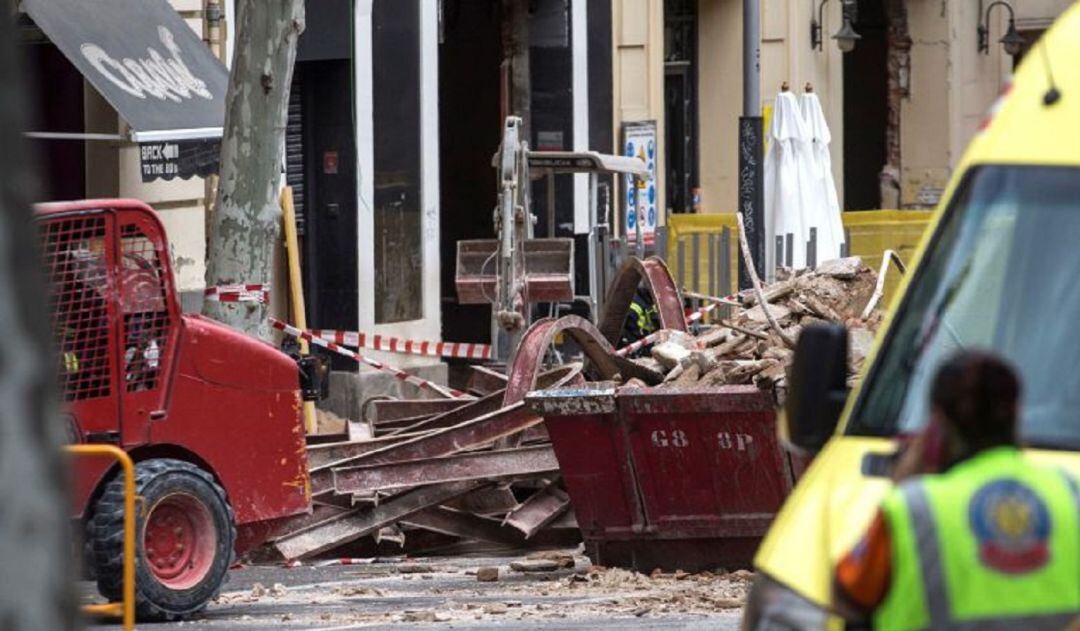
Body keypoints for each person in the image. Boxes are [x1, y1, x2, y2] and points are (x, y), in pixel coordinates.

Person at [834, 350, 1080, 630]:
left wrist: (901, 483)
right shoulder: (1070, 492)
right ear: (1017, 413)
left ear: (936, 424)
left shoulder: (912, 508)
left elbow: (847, 596)